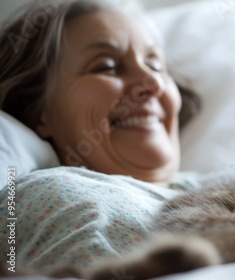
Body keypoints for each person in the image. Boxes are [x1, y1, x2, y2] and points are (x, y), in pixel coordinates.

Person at [0, 0, 200, 274]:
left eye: (155, 66)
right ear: (38, 110)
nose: (152, 83)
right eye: (107, 67)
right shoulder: (59, 200)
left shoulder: (226, 184)